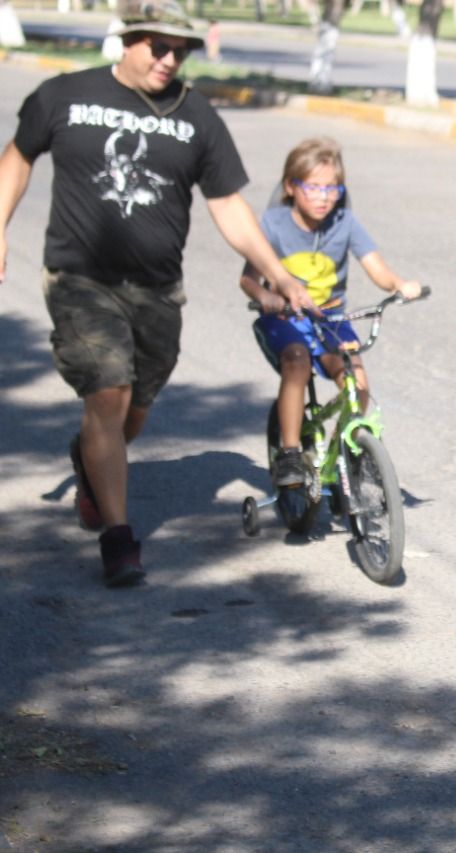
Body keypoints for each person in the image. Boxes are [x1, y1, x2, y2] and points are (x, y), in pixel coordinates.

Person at [0, 0, 314, 588]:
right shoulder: (63, 95)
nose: (170, 59)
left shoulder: (195, 115)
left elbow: (228, 205)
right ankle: (119, 539)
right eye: (158, 46)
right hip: (79, 278)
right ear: (127, 41)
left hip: (158, 290)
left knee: (131, 413)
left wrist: (276, 271)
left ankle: (90, 460)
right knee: (109, 392)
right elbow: (16, 160)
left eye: (181, 49)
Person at [238, 137, 421, 490]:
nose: (324, 197)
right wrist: (266, 296)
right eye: (313, 187)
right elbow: (248, 279)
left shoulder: (345, 222)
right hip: (284, 319)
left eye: (332, 188)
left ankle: (346, 449)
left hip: (331, 320)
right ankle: (290, 452)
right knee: (296, 361)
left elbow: (377, 269)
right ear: (291, 187)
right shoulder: (274, 224)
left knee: (356, 379)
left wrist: (398, 284)